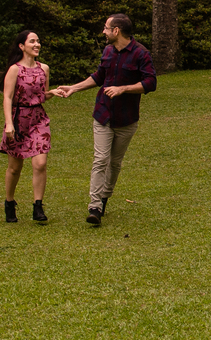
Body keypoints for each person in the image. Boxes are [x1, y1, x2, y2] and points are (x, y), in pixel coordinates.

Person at [56, 13, 157, 227]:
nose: (103, 31)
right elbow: (99, 76)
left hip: (126, 119)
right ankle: (94, 207)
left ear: (116, 31)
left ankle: (104, 198)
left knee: (115, 163)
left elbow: (150, 83)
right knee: (100, 159)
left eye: (106, 28)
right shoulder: (108, 51)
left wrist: (123, 89)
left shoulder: (141, 53)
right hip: (103, 114)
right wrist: (74, 88)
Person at [0, 30, 61, 223]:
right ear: (22, 46)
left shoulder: (44, 68)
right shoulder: (14, 70)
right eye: (32, 41)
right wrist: (9, 124)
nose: (37, 44)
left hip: (38, 119)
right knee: (14, 168)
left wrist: (53, 93)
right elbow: (7, 97)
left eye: (38, 41)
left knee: (40, 163)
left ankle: (38, 207)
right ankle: (9, 202)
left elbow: (42, 95)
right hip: (19, 120)